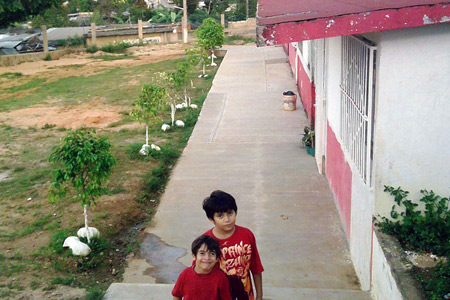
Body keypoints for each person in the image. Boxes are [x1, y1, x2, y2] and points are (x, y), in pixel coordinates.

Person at [202, 190, 264, 300]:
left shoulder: (247, 235)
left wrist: (259, 296)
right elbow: (198, 274)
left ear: (236, 212)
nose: (227, 219)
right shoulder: (205, 242)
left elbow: (256, 268)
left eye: (230, 213)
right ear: (211, 219)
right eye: (220, 216)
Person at [172, 235, 232, 300]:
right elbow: (177, 296)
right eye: (202, 253)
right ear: (194, 256)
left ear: (217, 258)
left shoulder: (220, 278)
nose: (207, 258)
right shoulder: (185, 275)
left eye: (212, 254)